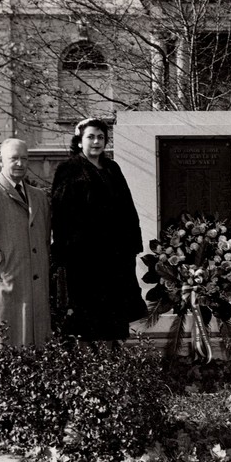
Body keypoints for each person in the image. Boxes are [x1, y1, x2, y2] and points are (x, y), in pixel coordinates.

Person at [51, 118, 147, 342]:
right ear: (80, 141)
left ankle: (114, 359)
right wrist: (66, 250)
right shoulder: (68, 169)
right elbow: (61, 214)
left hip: (116, 256)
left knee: (116, 311)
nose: (96, 142)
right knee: (88, 313)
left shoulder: (112, 168)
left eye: (101, 137)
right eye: (90, 137)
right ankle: (92, 363)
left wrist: (131, 245)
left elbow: (127, 208)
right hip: (84, 257)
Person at [0, 138, 51, 349]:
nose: (20, 164)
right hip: (6, 284)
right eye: (14, 158)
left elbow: (44, 237)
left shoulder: (39, 196)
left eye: (25, 158)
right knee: (6, 346)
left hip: (36, 286)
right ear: (0, 160)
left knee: (38, 349)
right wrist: (2, 267)